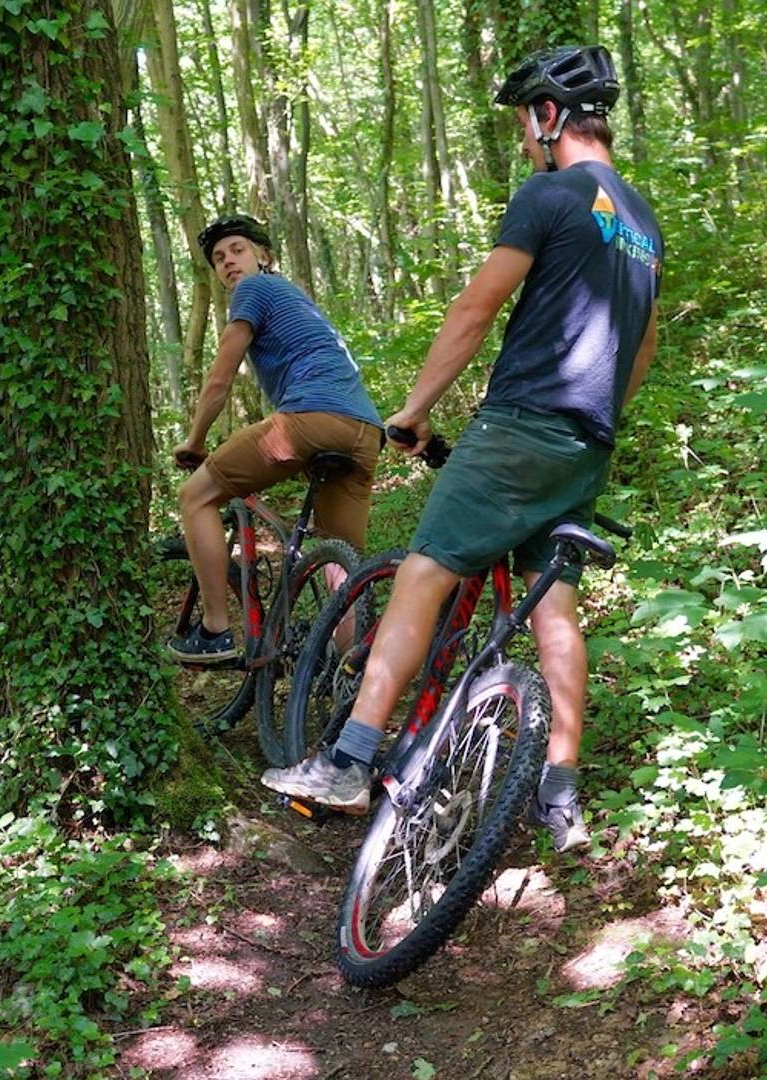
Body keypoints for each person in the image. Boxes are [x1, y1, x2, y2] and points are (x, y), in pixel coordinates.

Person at [260, 45, 664, 853]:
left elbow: (476, 309)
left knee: (425, 569)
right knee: (554, 608)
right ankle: (561, 794)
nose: (523, 140)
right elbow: (642, 346)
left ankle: (348, 760)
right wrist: (594, 420)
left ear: (548, 115)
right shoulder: (642, 223)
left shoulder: (551, 193)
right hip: (587, 442)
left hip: (520, 425)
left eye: (523, 123)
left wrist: (414, 410)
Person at [169, 214, 385, 663]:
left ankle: (214, 631)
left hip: (312, 418)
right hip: (366, 432)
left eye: (238, 250)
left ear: (264, 257)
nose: (228, 261)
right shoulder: (297, 300)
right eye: (219, 258)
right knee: (340, 561)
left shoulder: (254, 289)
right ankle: (350, 677)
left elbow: (220, 379)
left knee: (194, 496)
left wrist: (194, 442)